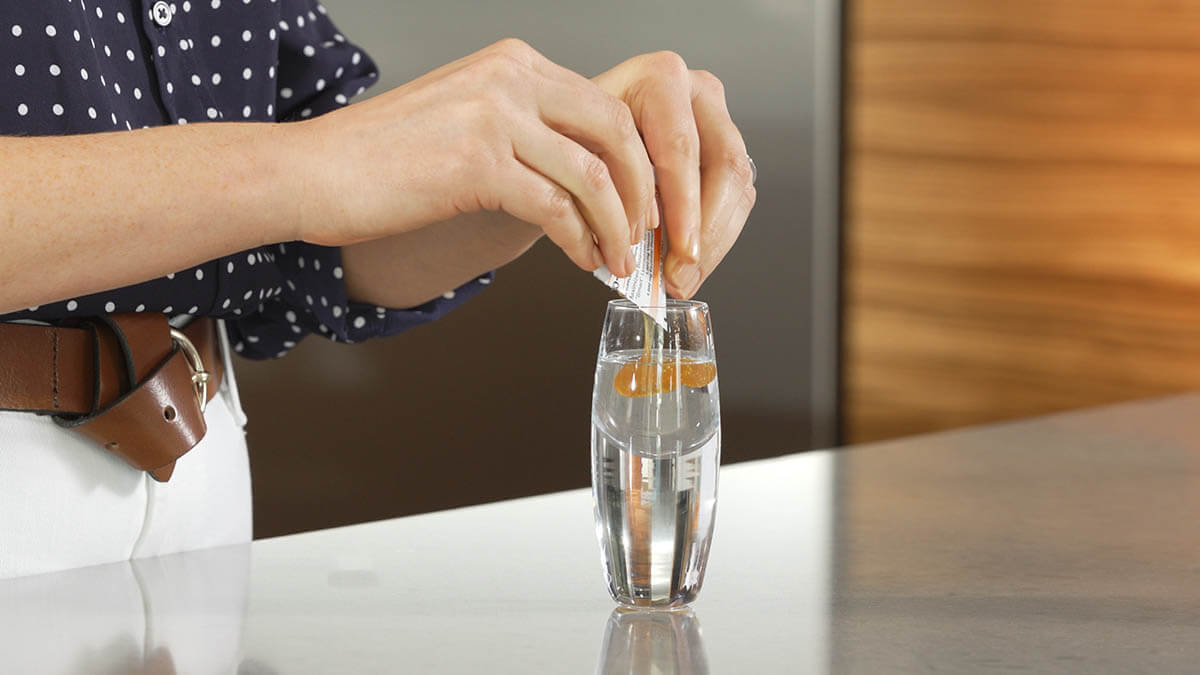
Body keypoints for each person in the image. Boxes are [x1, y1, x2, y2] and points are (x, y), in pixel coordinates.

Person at [0, 0, 756, 578]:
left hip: (201, 471)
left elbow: (310, 234)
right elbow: (311, 173)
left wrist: (550, 161)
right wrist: (309, 165)